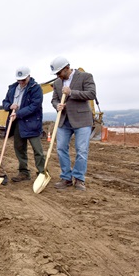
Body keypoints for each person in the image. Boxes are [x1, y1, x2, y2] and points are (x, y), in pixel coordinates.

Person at [50, 56, 96, 191]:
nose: (58, 76)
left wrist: (71, 92)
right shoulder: (58, 83)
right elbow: (54, 99)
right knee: (61, 148)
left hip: (82, 120)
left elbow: (91, 94)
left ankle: (79, 178)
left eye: (59, 73)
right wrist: (57, 105)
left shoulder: (85, 76)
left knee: (81, 150)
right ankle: (66, 177)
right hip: (64, 120)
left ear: (66, 68)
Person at [2, 67, 45, 182]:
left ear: (28, 76)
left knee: (37, 150)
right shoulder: (12, 88)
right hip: (16, 123)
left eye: (23, 80)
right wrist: (9, 106)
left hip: (32, 123)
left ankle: (42, 173)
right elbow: (5, 102)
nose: (21, 82)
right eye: (19, 80)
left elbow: (35, 106)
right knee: (19, 148)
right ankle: (24, 172)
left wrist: (19, 113)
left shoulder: (35, 88)